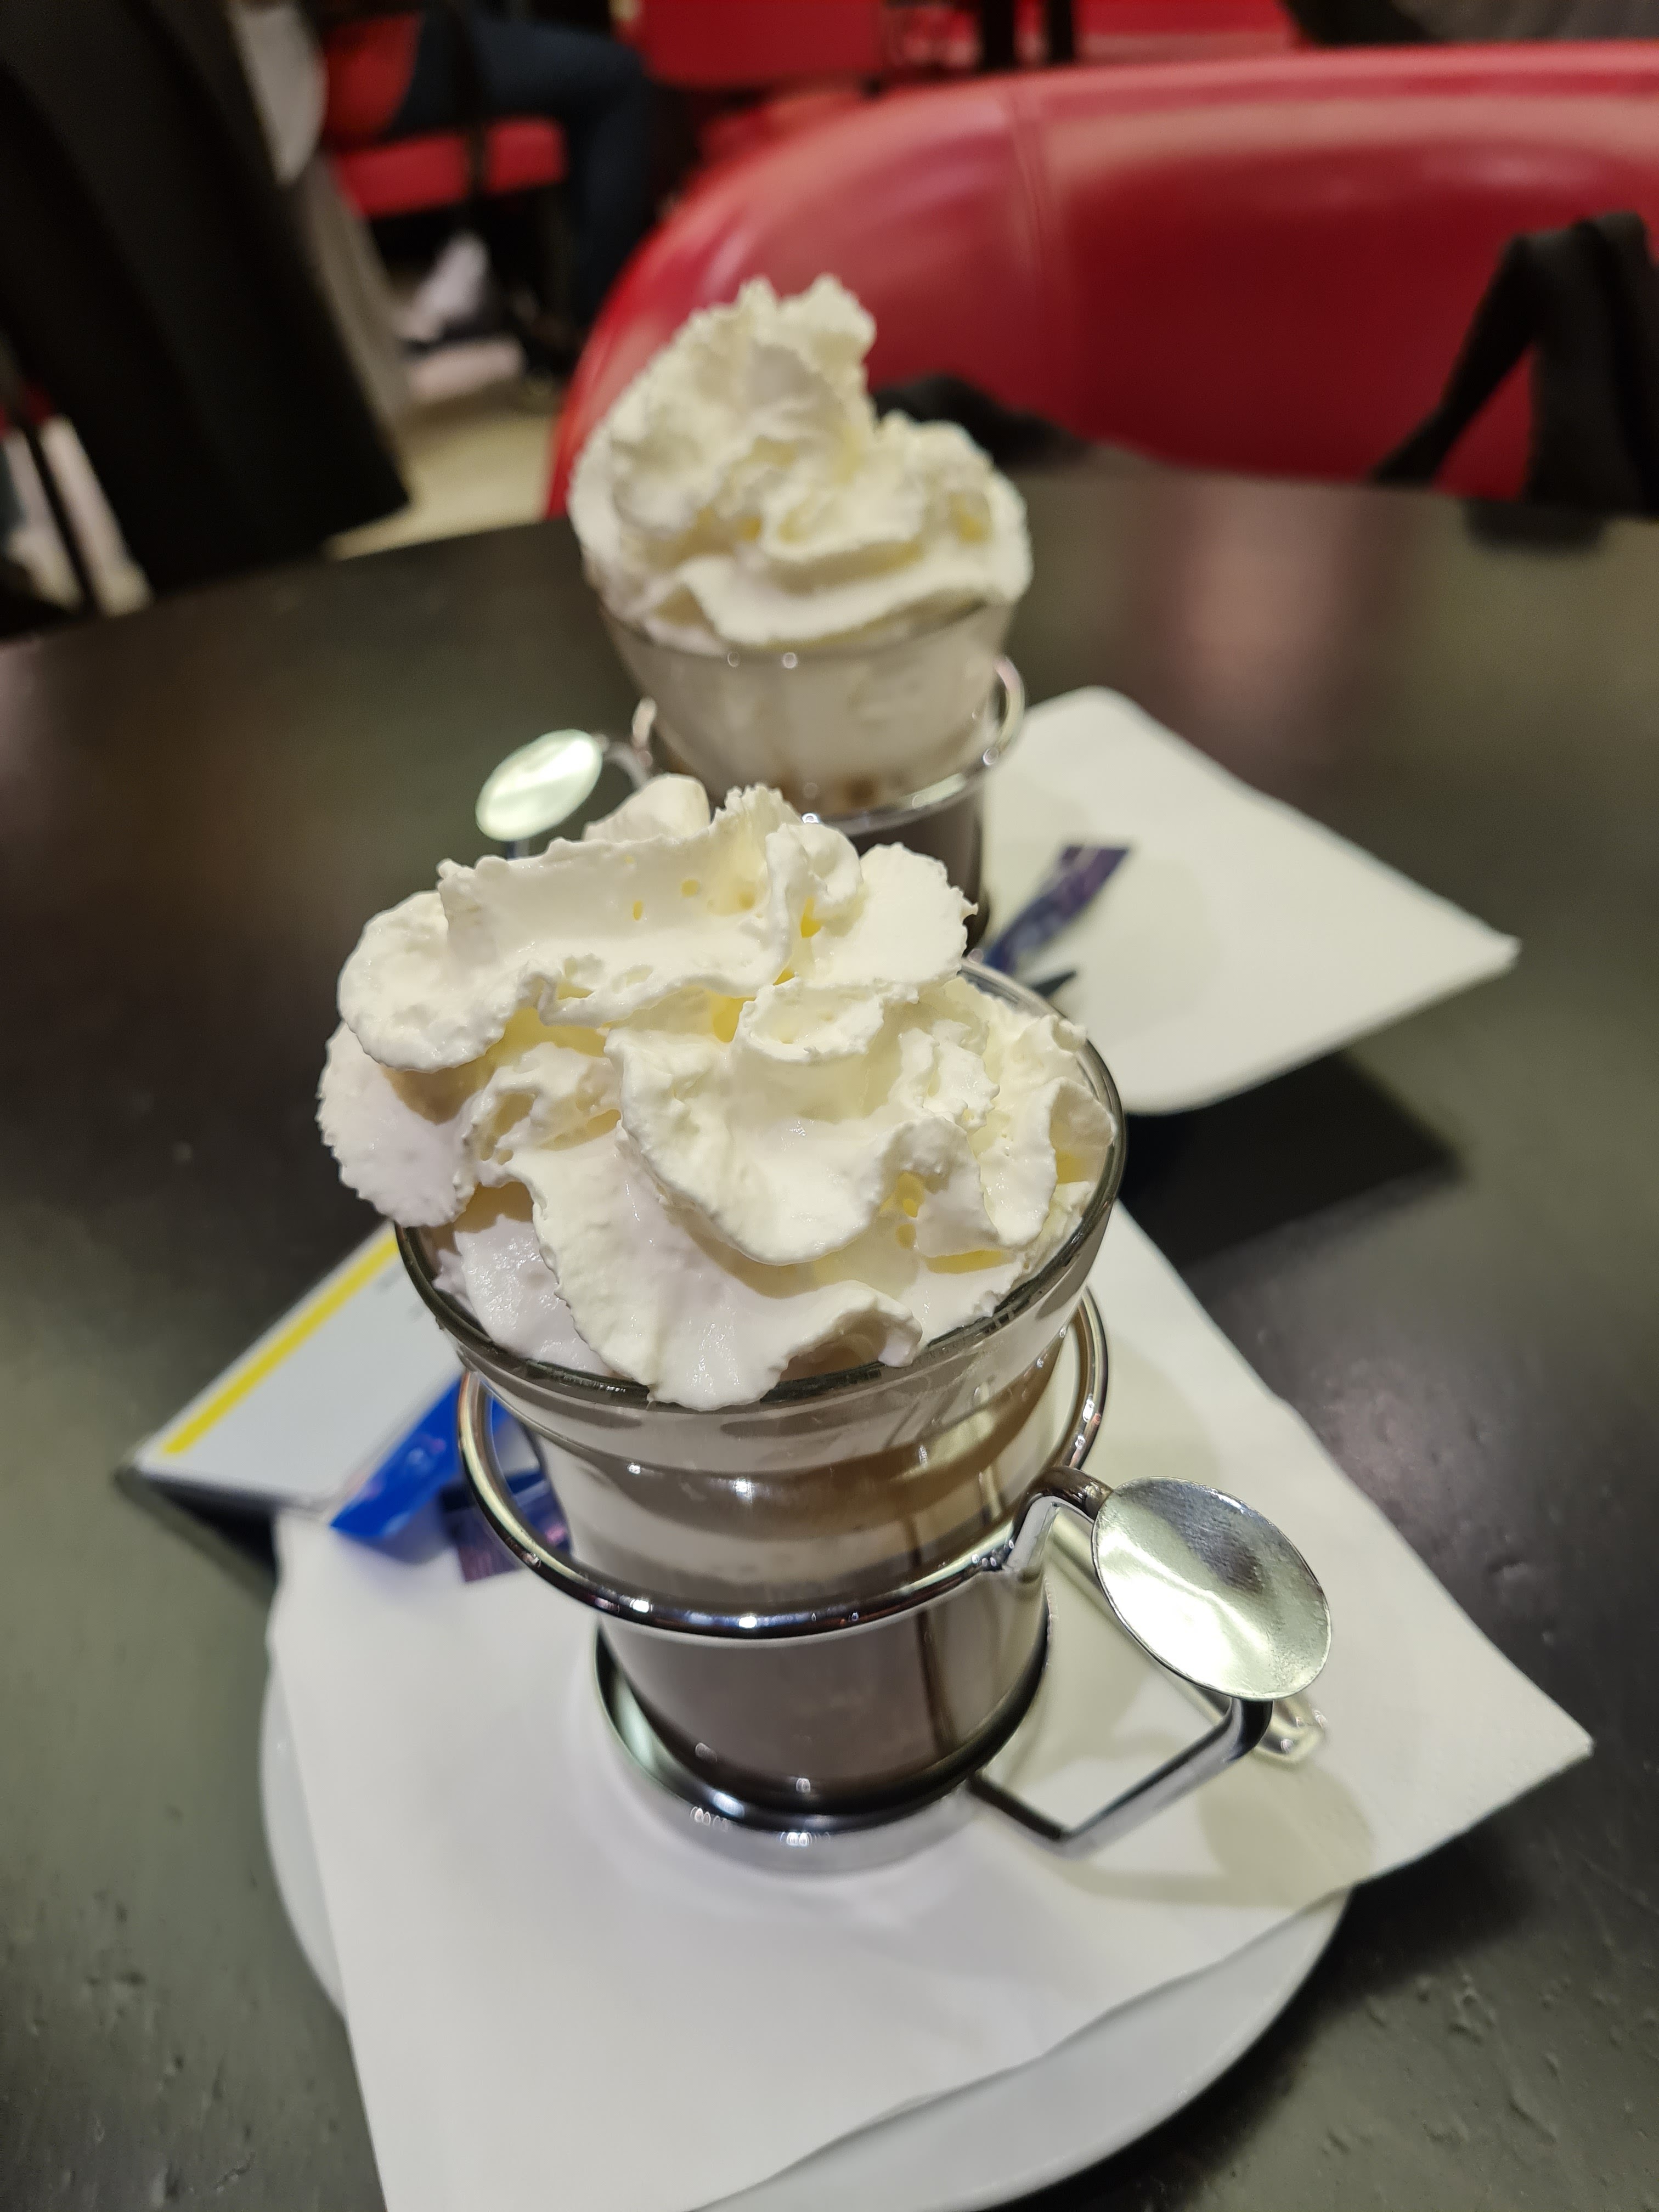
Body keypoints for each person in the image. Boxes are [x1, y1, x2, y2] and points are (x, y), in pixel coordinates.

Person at [321, 3, 653, 330]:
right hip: (375, 68)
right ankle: (608, 324)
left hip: (356, 65)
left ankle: (556, 302)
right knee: (618, 76)